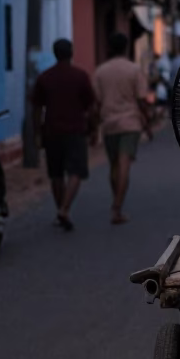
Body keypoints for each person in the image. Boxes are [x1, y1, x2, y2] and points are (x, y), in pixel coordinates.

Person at [32, 38, 96, 232]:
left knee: (56, 173)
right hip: (75, 130)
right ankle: (65, 208)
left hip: (51, 131)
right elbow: (91, 105)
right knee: (76, 171)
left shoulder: (45, 77)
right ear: (72, 53)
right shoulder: (80, 76)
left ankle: (61, 210)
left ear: (54, 53)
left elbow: (36, 108)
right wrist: (93, 128)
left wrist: (36, 133)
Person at [93, 33, 152, 225]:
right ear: (126, 47)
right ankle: (117, 208)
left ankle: (116, 203)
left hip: (109, 124)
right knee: (124, 164)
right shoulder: (134, 70)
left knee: (114, 166)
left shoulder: (100, 71)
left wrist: (94, 128)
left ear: (109, 47)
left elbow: (96, 102)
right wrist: (147, 122)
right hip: (130, 123)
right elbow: (142, 99)